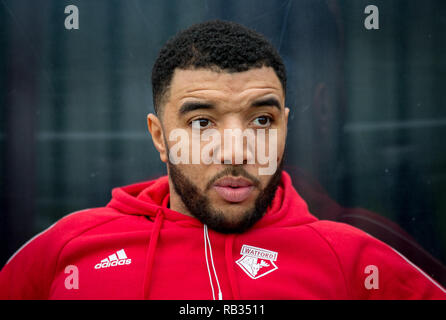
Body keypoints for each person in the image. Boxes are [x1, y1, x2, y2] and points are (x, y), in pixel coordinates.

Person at [1, 20, 445, 300]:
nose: (236, 151)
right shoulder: (66, 250)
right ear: (160, 136)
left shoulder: (351, 259)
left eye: (262, 119)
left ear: (286, 127)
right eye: (201, 123)